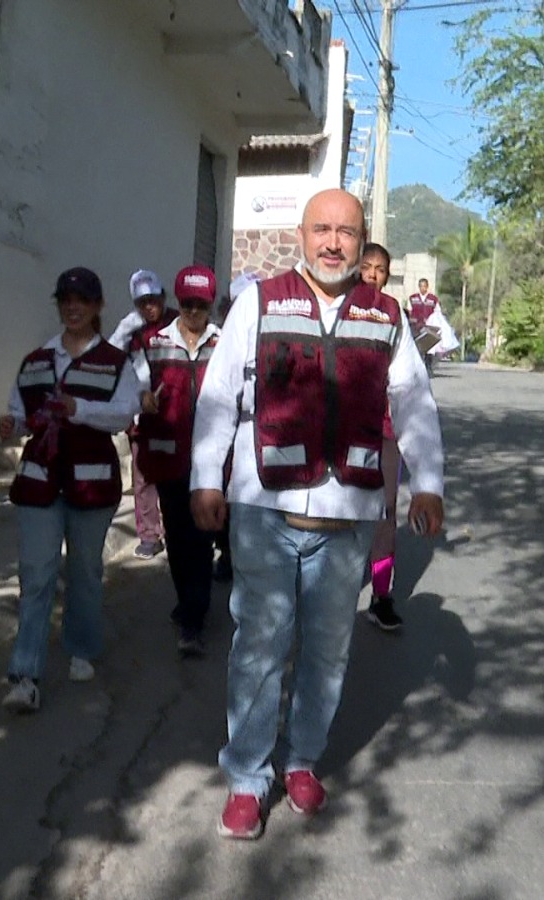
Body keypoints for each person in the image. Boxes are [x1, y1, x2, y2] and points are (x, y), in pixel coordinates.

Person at [190, 189, 445, 840]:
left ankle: (301, 759)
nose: (334, 242)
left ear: (363, 244)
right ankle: (248, 777)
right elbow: (219, 394)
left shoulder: (387, 315)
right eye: (322, 230)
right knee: (258, 648)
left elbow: (413, 402)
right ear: (301, 236)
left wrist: (427, 482)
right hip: (264, 505)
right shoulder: (261, 301)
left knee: (328, 652)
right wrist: (204, 477)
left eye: (348, 232)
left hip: (348, 513)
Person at [0, 266, 143, 713]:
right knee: (36, 575)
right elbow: (18, 411)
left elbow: (124, 415)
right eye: (65, 299)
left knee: (84, 572)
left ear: (98, 306)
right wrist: (12, 425)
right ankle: (25, 674)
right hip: (40, 481)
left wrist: (78, 408)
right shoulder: (37, 360)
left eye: (82, 299)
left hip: (91, 484)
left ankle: (80, 645)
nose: (73, 306)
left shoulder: (115, 363)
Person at [132, 265, 224, 658]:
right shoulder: (153, 343)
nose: (193, 313)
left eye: (200, 305)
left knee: (201, 541)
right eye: (186, 304)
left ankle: (193, 617)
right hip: (167, 459)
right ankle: (186, 601)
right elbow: (133, 384)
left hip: (209, 462)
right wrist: (142, 398)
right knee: (177, 538)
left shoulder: (224, 344)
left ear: (210, 305)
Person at [108, 270, 172, 560]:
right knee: (143, 476)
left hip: (175, 414)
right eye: (142, 302)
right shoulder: (131, 331)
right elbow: (108, 359)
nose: (148, 307)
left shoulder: (178, 322)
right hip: (142, 417)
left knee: (175, 475)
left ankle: (176, 530)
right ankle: (149, 534)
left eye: (153, 299)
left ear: (163, 297)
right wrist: (125, 328)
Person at [358, 242, 404, 632]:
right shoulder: (339, 308)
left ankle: (381, 595)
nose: (373, 274)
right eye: (367, 266)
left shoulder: (395, 315)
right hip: (345, 428)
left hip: (386, 431)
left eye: (381, 269)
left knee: (386, 512)